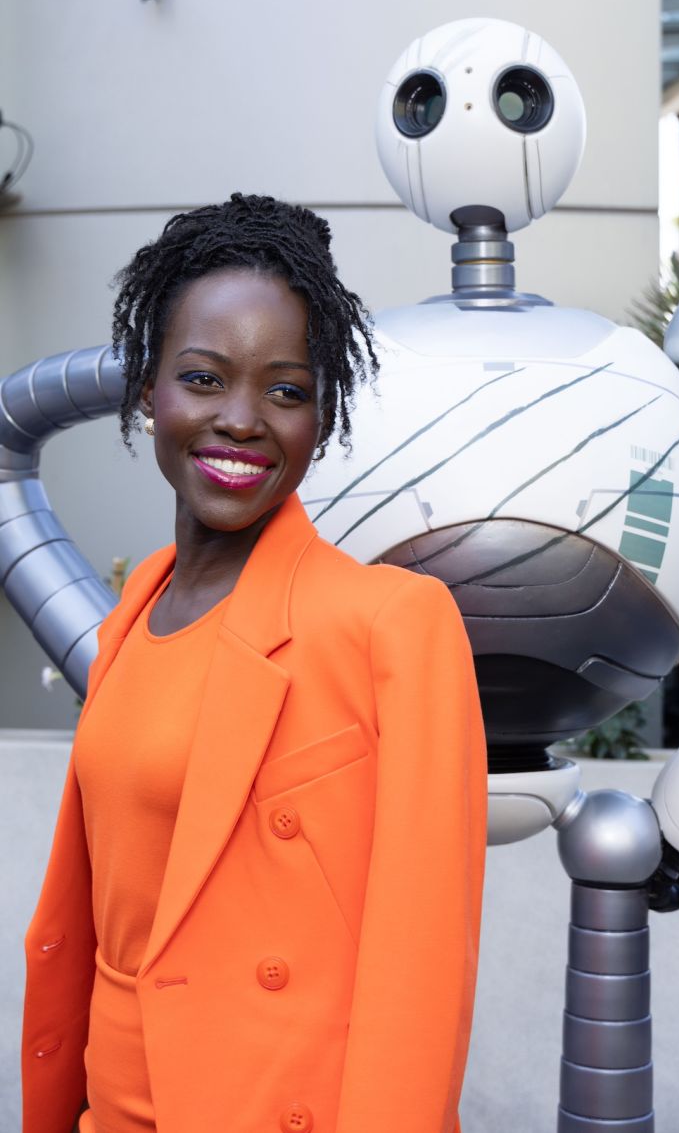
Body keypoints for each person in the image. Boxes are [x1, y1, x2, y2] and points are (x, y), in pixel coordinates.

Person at [21, 193, 488, 1133]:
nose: (241, 420)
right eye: (203, 377)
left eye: (286, 390)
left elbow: (421, 975)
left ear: (323, 413)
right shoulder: (136, 605)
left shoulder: (391, 623)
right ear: (147, 389)